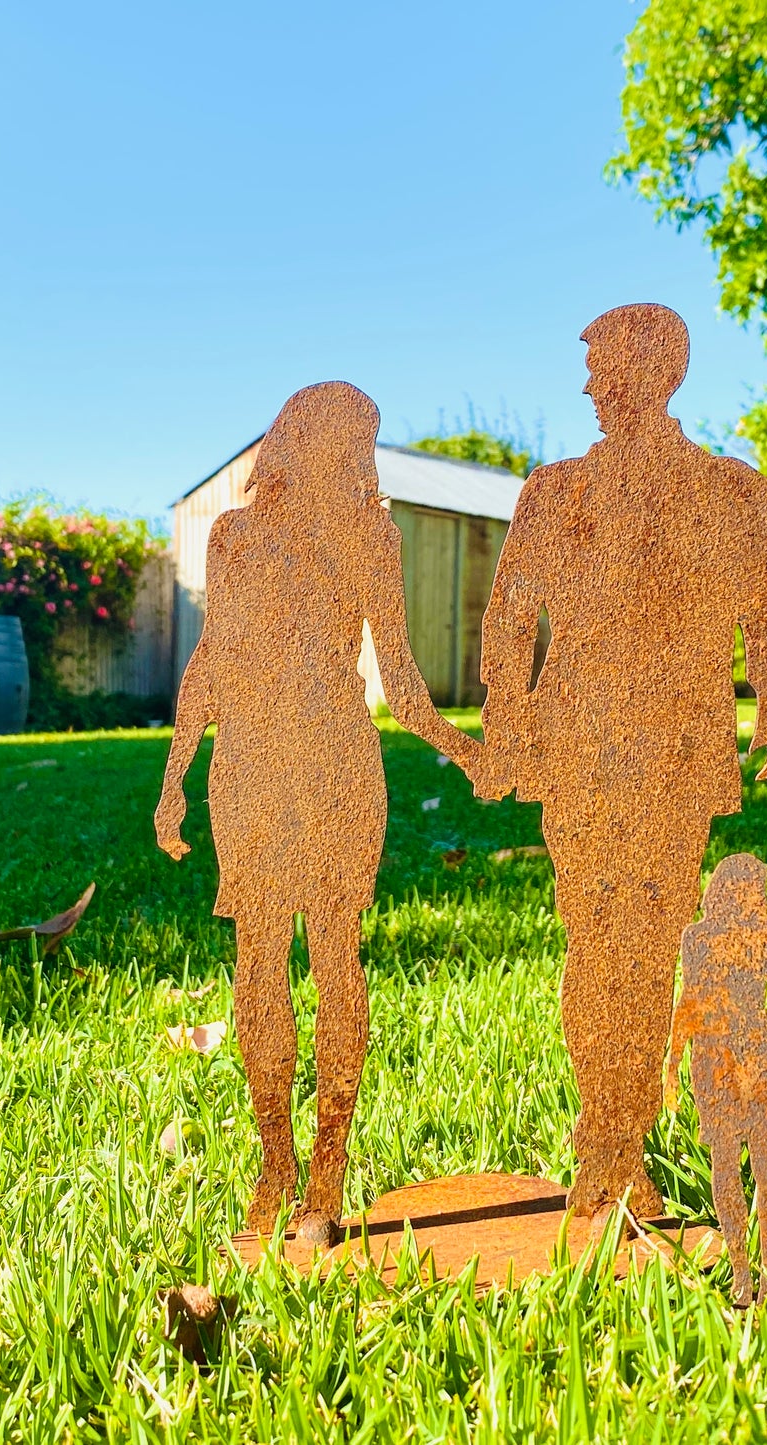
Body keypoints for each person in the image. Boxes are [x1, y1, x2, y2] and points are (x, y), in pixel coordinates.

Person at [473, 303, 767, 1217]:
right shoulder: (552, 491)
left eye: (601, 367)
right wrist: (505, 722)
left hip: (679, 739)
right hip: (577, 737)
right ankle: (604, 1131)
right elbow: (508, 619)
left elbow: (765, 607)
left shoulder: (730, 491)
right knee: (592, 937)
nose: (587, 386)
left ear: (650, 370)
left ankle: (622, 1139)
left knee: (650, 942)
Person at [155, 382, 479, 1243]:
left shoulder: (372, 533)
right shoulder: (235, 533)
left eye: (365, 442)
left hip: (337, 752)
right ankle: (274, 1157)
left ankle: (328, 1163)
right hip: (251, 761)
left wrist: (468, 747)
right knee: (257, 958)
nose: (358, 456)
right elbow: (214, 657)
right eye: (351, 439)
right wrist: (175, 772)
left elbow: (400, 677)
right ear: (307, 440)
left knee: (337, 952)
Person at [666, 854, 767, 1306]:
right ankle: (740, 1267)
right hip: (714, 1057)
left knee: (765, 1158)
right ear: (728, 890)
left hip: (759, 1053)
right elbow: (690, 1000)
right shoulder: (697, 938)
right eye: (752, 890)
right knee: (724, 1163)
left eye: (761, 892)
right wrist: (672, 1063)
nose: (760, 899)